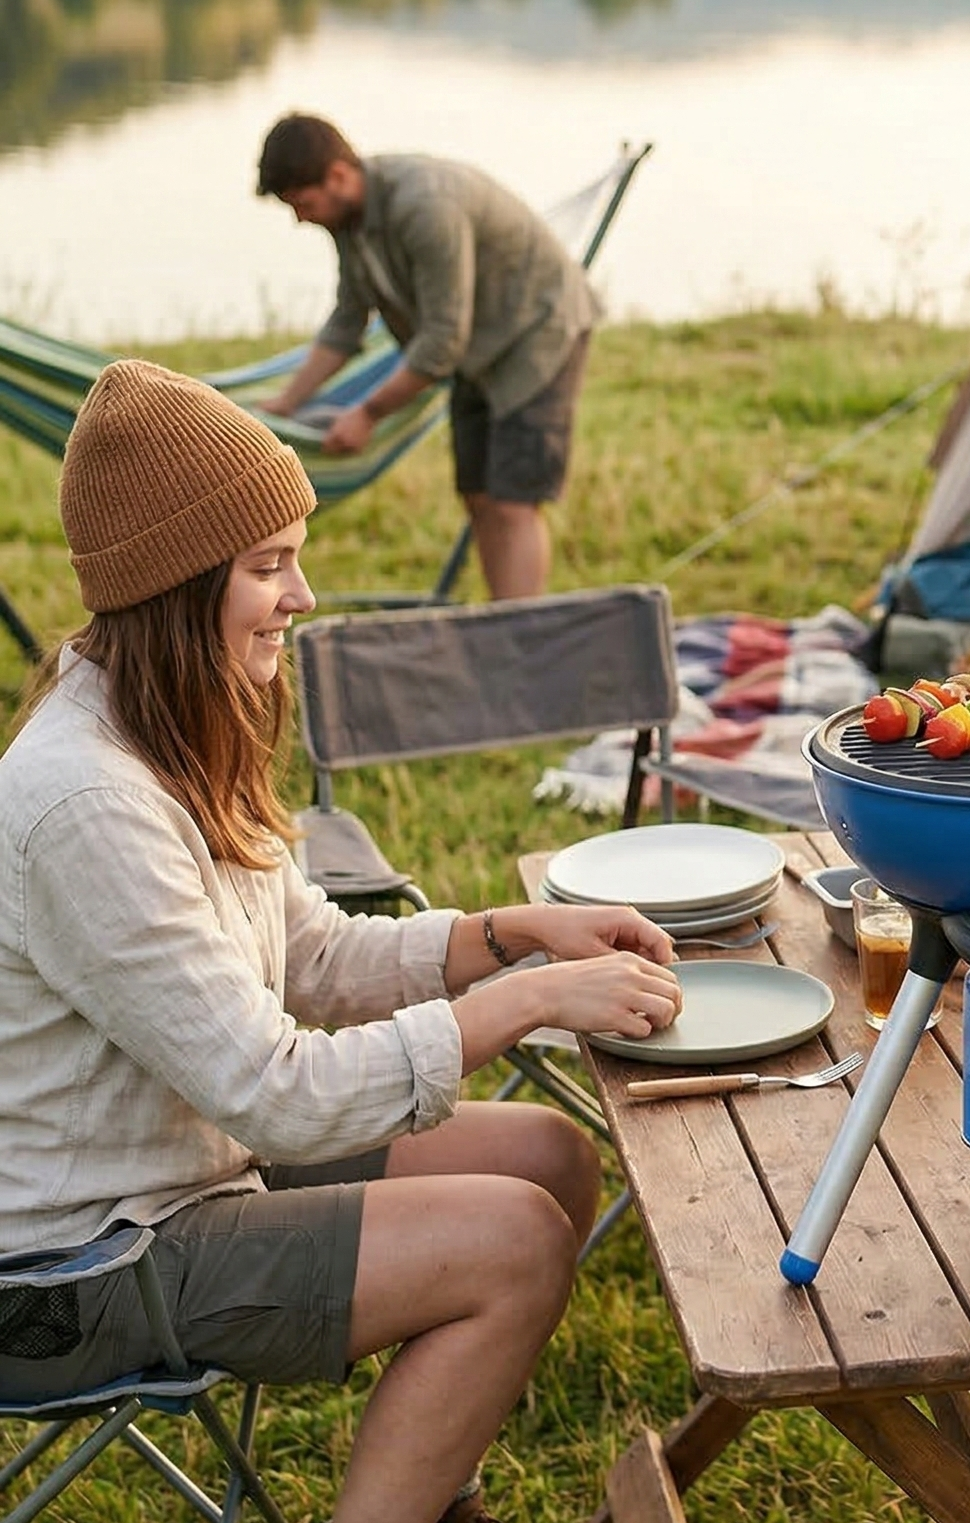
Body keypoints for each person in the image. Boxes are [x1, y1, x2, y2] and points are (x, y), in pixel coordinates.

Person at [0, 360, 684, 1523]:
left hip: (189, 1163)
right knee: (513, 1239)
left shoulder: (167, 708)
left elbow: (308, 952)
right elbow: (279, 1094)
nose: (302, 595)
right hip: (73, 1265)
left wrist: (502, 934)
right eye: (268, 567)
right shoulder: (86, 802)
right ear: (175, 584)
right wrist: (524, 1002)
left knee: (550, 1161)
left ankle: (431, 1487)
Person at [255, 113, 600, 599]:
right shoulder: (349, 218)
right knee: (478, 495)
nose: (301, 219)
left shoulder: (426, 207)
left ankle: (522, 635)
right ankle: (506, 617)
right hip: (472, 350)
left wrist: (367, 413)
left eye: (303, 204)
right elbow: (347, 322)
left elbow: (440, 343)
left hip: (536, 335)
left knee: (513, 501)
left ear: (337, 176)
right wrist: (286, 404)